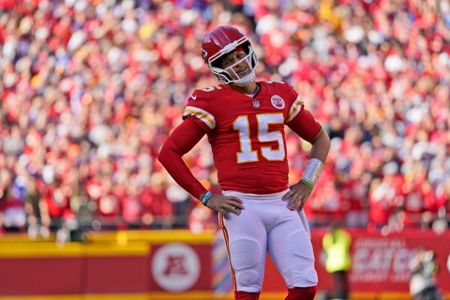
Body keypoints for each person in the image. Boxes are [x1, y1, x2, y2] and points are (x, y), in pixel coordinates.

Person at [158, 25, 330, 300]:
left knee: (305, 287)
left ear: (249, 51)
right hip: (242, 207)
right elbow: (169, 153)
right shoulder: (212, 100)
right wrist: (205, 196)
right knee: (248, 293)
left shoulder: (280, 93)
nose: (236, 65)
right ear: (217, 68)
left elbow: (320, 138)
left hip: (283, 201)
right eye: (226, 62)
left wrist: (308, 181)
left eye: (237, 55)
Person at [322, 220, 352, 300]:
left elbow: (326, 248)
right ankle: (344, 297)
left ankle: (337, 297)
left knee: (336, 284)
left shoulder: (327, 237)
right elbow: (348, 245)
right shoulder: (345, 235)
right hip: (343, 262)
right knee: (344, 283)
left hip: (333, 263)